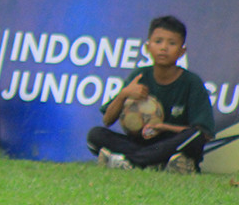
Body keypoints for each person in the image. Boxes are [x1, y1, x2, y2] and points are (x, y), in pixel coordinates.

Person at [87, 15, 215, 173]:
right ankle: (156, 163)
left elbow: (205, 133)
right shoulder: (140, 75)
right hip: (140, 143)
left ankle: (132, 161)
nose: (164, 48)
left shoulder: (192, 82)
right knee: (95, 135)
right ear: (148, 47)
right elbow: (107, 120)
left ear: (182, 51)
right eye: (158, 41)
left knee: (195, 136)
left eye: (172, 43)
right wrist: (123, 95)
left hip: (171, 143)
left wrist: (162, 127)